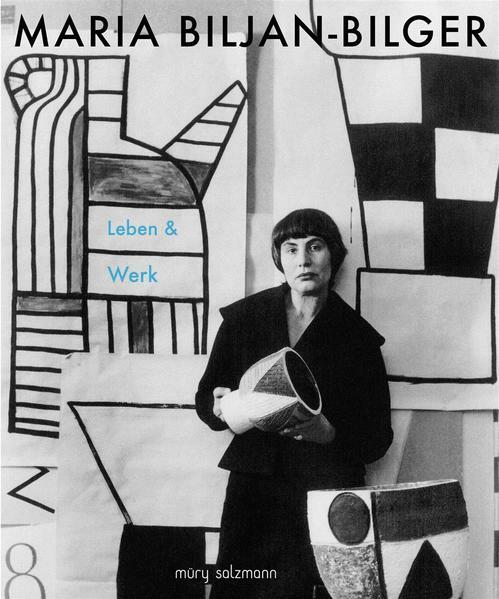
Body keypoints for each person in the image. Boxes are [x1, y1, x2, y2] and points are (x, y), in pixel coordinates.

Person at [195, 208, 393, 598]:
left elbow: (378, 439)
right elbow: (205, 398)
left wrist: (329, 433)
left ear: (333, 256)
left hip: (325, 493)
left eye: (315, 247)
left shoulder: (358, 339)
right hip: (254, 489)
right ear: (280, 259)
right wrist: (218, 407)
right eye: (291, 249)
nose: (303, 259)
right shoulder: (245, 318)